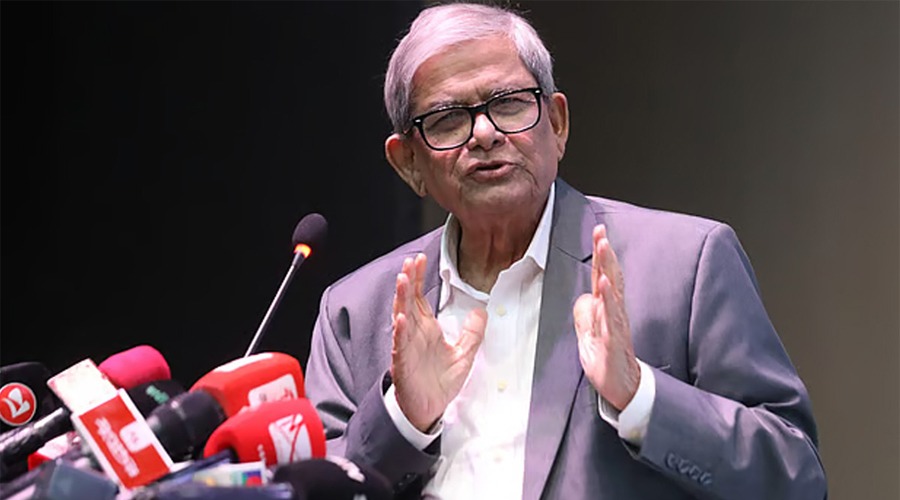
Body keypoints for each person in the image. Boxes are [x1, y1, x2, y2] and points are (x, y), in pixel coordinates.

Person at [304, 3, 827, 499]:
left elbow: (794, 477)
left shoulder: (686, 264)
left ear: (556, 124)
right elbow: (305, 485)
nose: (484, 134)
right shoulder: (357, 313)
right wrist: (403, 420)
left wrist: (641, 397)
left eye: (508, 103)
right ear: (409, 164)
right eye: (447, 119)